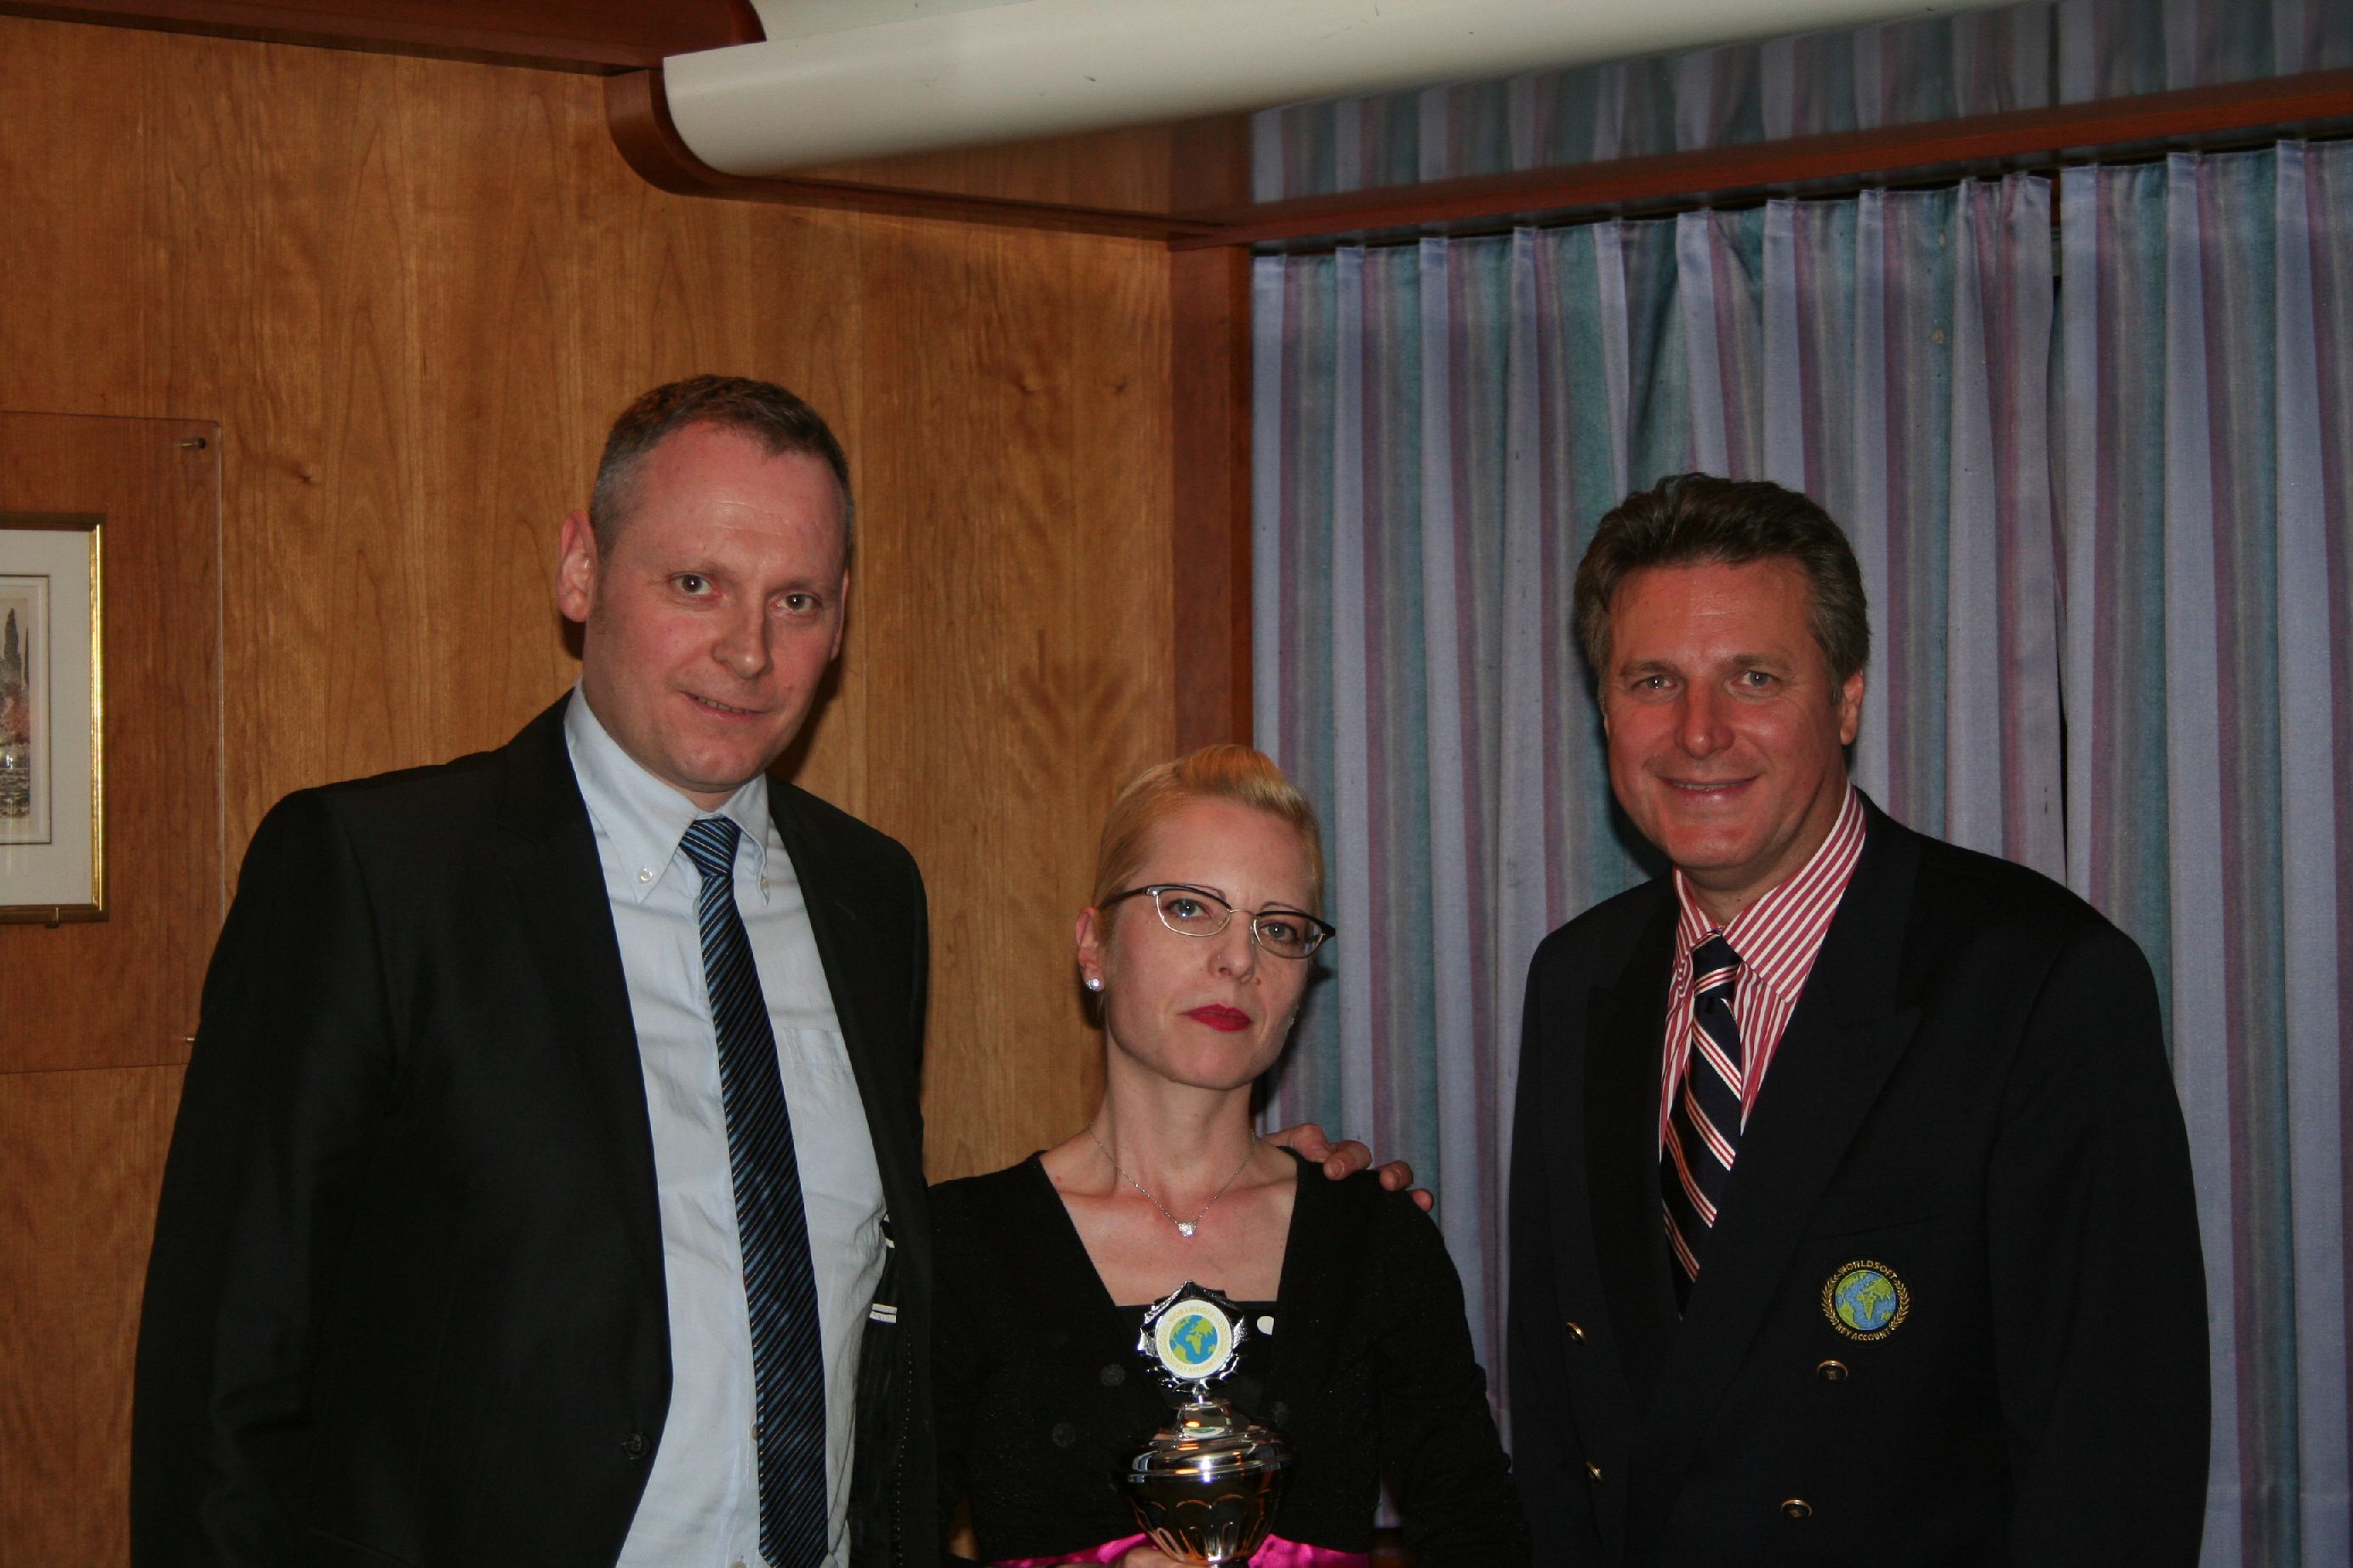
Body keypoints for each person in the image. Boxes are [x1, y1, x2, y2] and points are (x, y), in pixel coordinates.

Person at [130, 376, 1400, 1568]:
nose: (747, 650)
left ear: (840, 617)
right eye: (696, 583)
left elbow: (888, 1303)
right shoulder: (379, 874)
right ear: (581, 569)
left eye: (795, 601)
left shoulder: (869, 895)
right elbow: (225, 1370)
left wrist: (1248, 1195)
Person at [1506, 475, 2208, 1563]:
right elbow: (1562, 1423)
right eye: (1653, 680)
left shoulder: (2039, 983)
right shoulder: (1574, 980)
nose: (1698, 732)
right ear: (1604, 707)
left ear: (1844, 699)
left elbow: (2110, 1462)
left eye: (1753, 677)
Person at [932, 747, 1528, 1568]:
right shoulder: (957, 1245)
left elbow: (1481, 1536)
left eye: (1277, 928)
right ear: (1093, 945)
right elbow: (873, 1537)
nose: (1239, 959)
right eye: (1189, 906)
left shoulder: (1373, 1237)